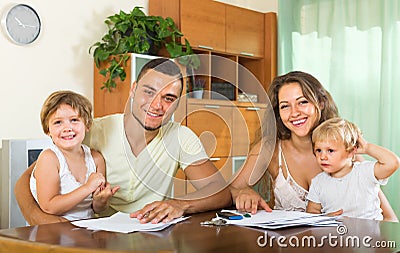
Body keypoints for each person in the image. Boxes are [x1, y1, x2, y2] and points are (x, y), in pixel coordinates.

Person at [15, 58, 231, 225]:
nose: (157, 105)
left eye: (168, 98)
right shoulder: (92, 131)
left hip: (152, 235)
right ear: (134, 89)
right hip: (100, 238)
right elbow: (25, 181)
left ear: (177, 104)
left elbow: (219, 192)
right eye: (149, 92)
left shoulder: (181, 137)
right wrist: (42, 221)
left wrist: (179, 205)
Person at [230, 71, 398, 221]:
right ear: (278, 114)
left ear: (321, 104)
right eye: (285, 106)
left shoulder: (345, 154)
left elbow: (389, 218)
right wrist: (244, 192)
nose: (295, 112)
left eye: (302, 102)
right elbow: (235, 187)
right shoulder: (269, 149)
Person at [30, 90, 118, 221]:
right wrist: (87, 188)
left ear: (87, 125)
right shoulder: (49, 158)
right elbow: (49, 206)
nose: (67, 128)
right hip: (54, 233)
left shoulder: (96, 159)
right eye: (58, 122)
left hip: (87, 232)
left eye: (74, 120)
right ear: (48, 129)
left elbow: (97, 209)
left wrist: (101, 200)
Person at [306, 117, 400, 220]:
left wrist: (367, 147)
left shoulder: (365, 172)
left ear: (351, 151)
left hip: (370, 233)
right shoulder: (318, 182)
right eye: (318, 150)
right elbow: (312, 213)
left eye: (330, 150)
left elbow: (392, 163)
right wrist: (324, 218)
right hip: (337, 234)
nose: (322, 157)